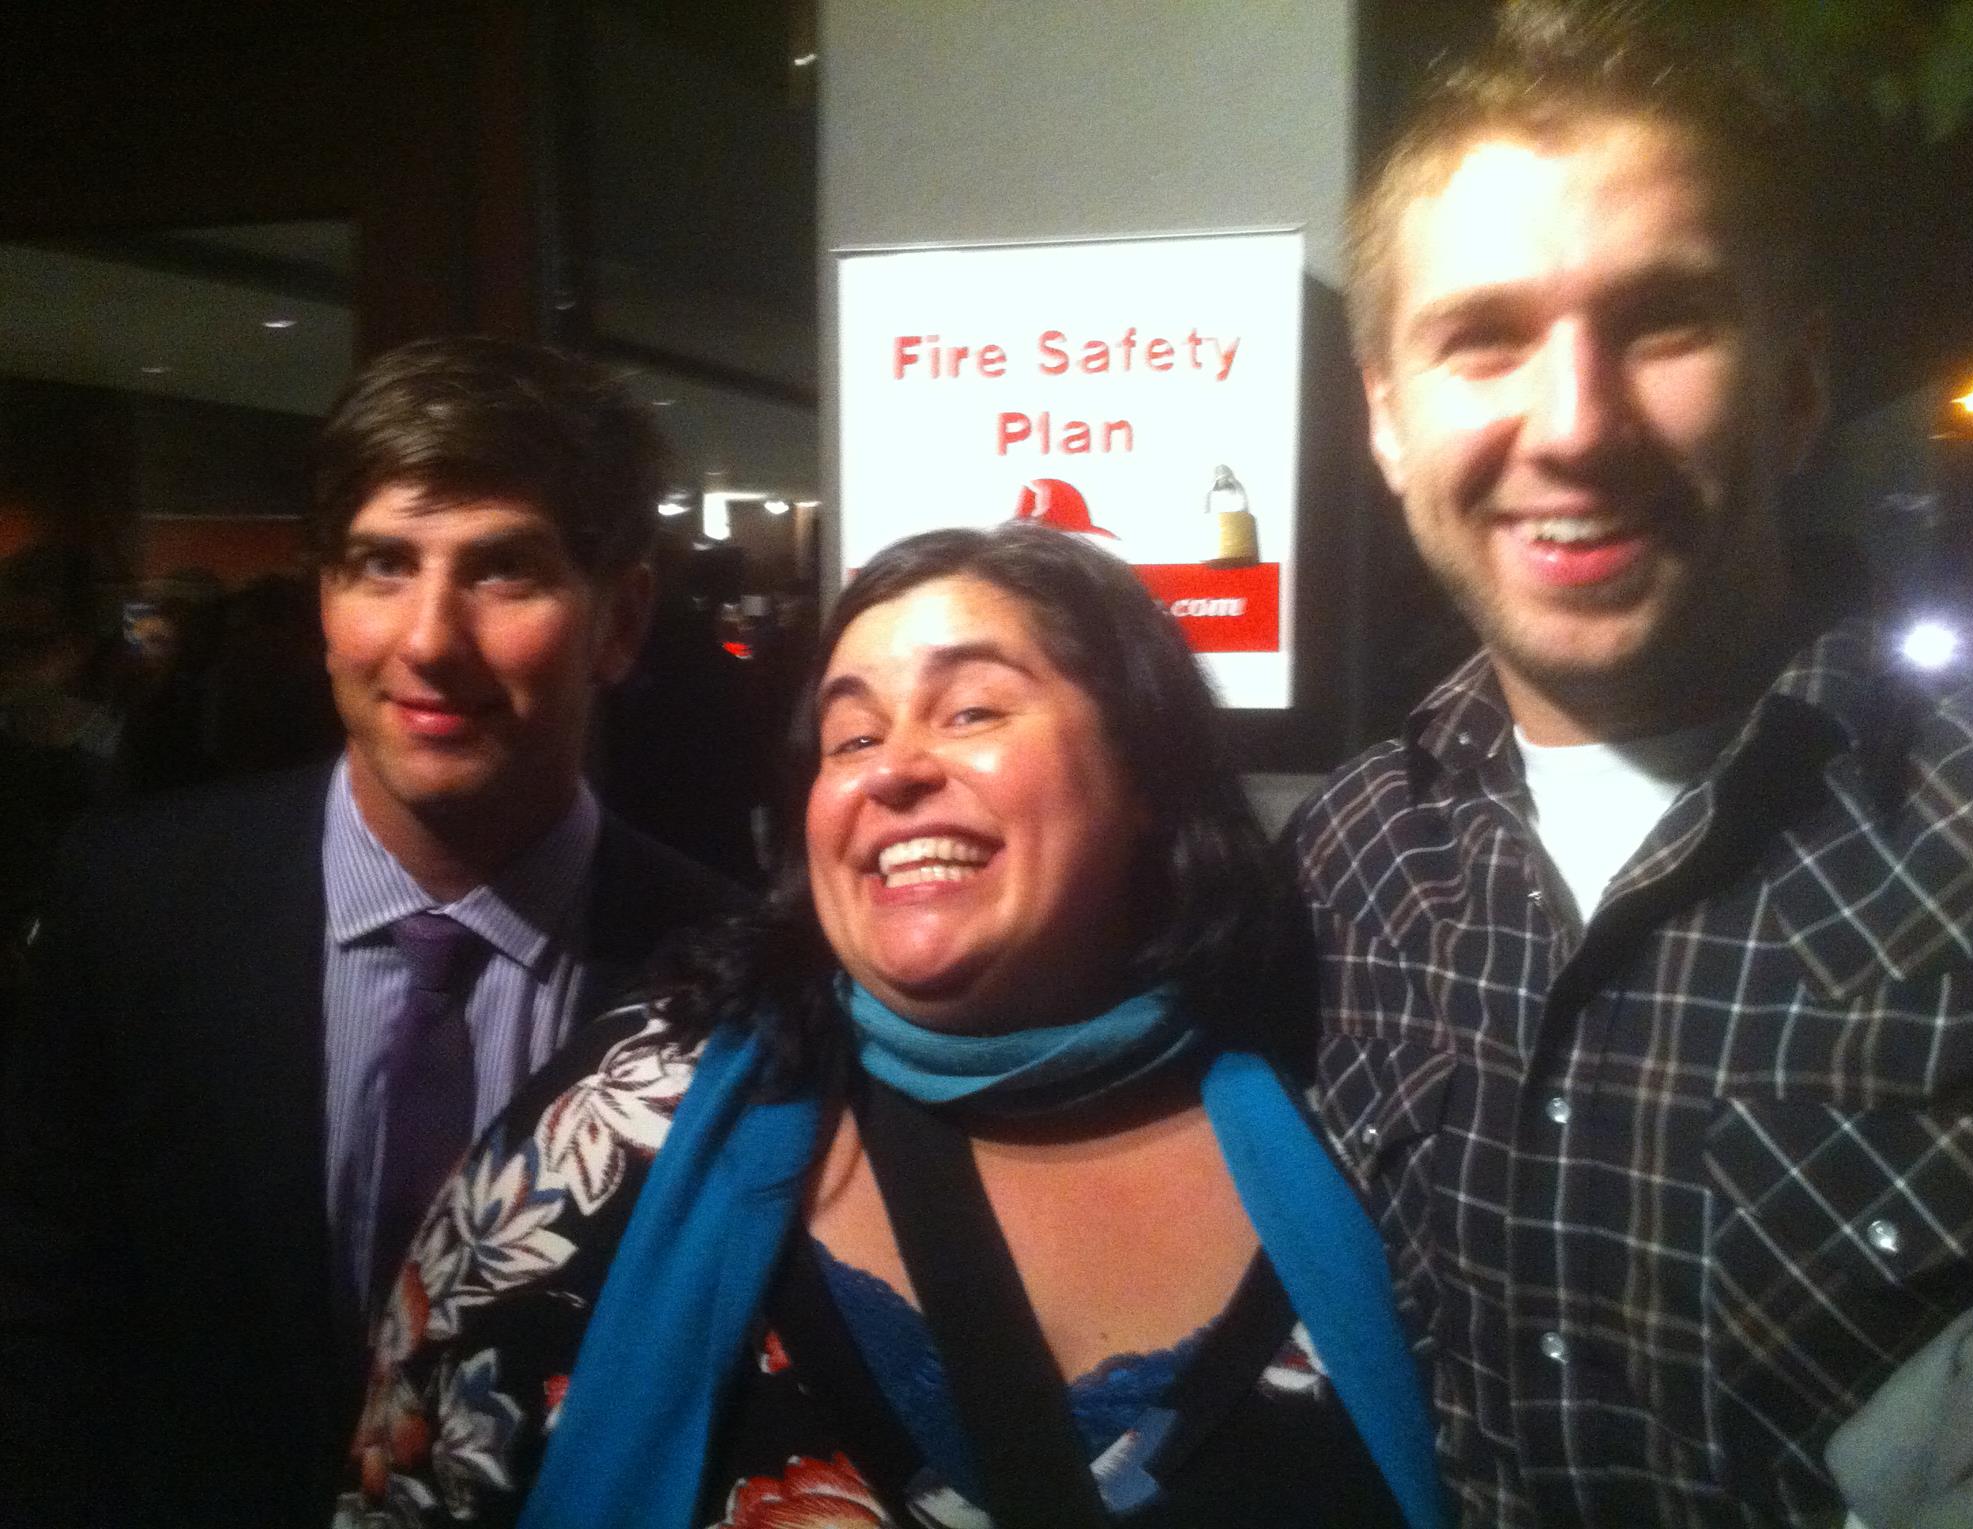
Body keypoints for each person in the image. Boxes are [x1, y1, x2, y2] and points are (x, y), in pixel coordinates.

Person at [1294, 4, 1973, 1526]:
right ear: (1387, 415)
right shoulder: (1342, 861)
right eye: (1484, 337)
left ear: (1797, 381)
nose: (1575, 424)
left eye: (1663, 321)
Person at [335, 522, 1441, 1529]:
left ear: (1144, 768)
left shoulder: (1346, 1108)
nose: (896, 769)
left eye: (971, 710)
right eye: (850, 735)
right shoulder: (614, 1133)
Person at [0, 335, 740, 1528]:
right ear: (325, 603)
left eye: (503, 571)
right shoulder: (135, 901)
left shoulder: (724, 966)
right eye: (382, 565)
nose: (428, 639)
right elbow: (42, 1313)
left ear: (621, 619)